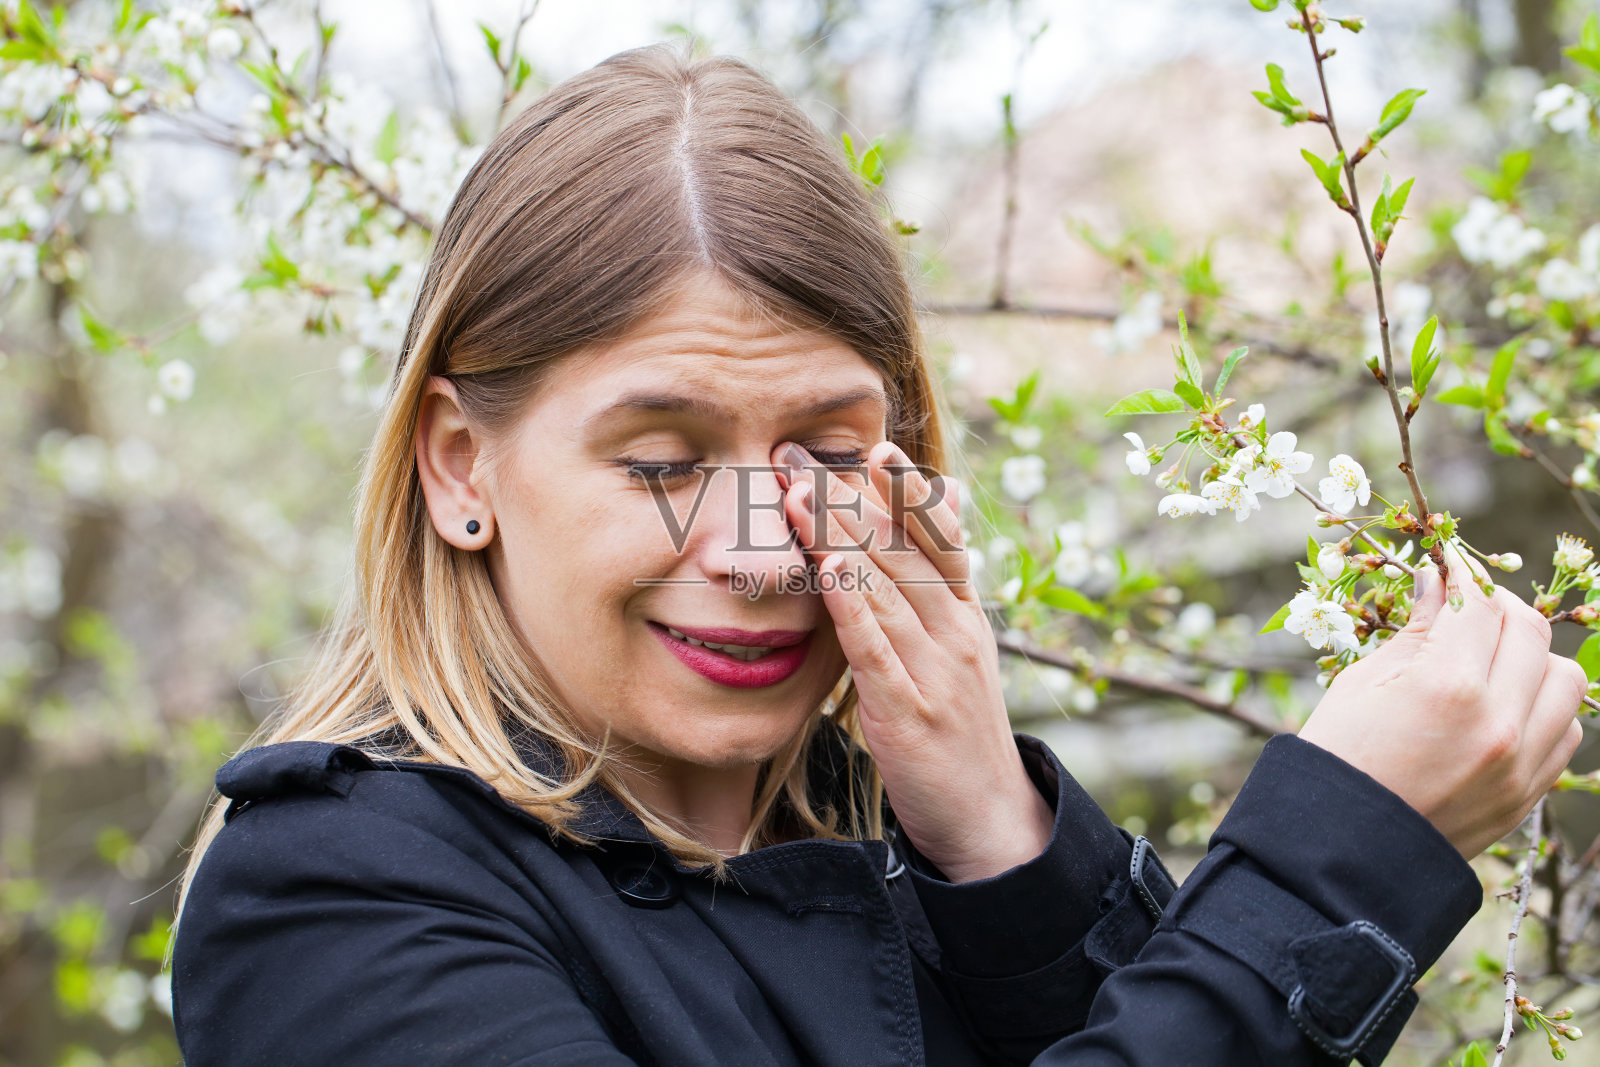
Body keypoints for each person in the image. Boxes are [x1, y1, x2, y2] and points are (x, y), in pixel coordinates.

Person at [168, 43, 1586, 1066]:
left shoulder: (924, 844)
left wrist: (995, 833)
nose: (755, 551)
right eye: (661, 461)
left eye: (827, 458)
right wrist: (1330, 873)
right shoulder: (331, 898)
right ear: (460, 465)